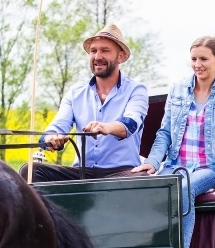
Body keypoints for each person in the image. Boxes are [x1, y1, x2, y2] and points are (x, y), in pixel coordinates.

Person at [131, 36, 215, 248]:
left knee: (183, 189)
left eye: (204, 59)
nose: (197, 64)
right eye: (193, 59)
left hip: (211, 167)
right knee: (149, 189)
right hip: (175, 165)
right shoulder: (177, 89)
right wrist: (153, 162)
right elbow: (164, 133)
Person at [20, 23, 148, 182]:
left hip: (121, 172)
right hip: (81, 172)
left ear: (120, 56)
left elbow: (130, 124)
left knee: (142, 178)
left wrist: (106, 127)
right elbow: (59, 125)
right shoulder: (75, 92)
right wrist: (51, 138)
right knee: (30, 171)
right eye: (93, 51)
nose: (97, 57)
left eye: (105, 50)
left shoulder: (136, 90)